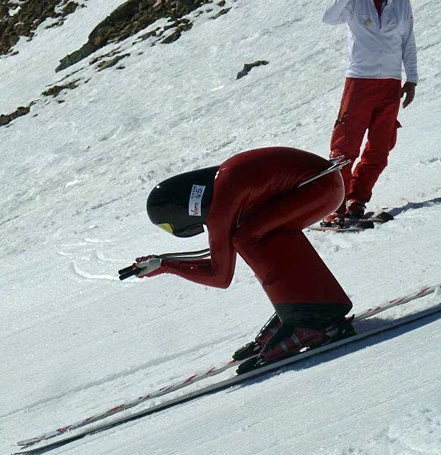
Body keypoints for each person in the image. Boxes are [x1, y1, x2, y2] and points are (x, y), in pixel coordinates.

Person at [129, 147, 355, 368]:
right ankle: (311, 306)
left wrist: (168, 266)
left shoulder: (221, 207)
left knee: (248, 237)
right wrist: (163, 262)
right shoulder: (223, 184)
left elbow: (221, 276)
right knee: (261, 232)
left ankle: (312, 321)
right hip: (323, 184)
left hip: (320, 187)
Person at [321, 0, 418, 226]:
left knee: (380, 147)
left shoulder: (400, 3)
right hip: (359, 81)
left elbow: (407, 39)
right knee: (344, 147)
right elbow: (328, 17)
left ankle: (357, 200)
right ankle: (335, 205)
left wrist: (411, 78)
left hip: (391, 82)